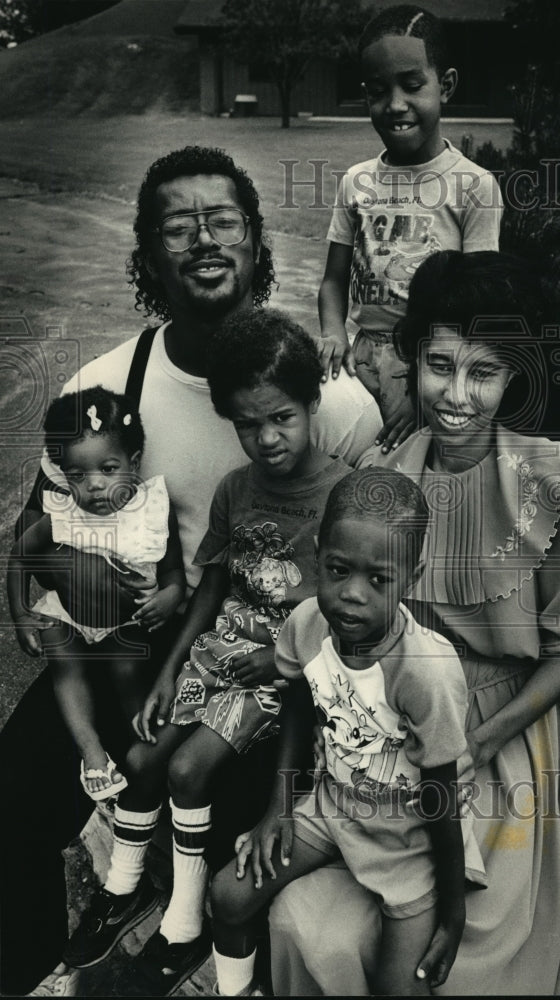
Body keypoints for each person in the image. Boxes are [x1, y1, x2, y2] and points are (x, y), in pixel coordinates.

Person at [1, 145, 380, 997]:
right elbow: (37, 519)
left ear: (253, 242)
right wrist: (52, 593)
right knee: (14, 796)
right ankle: (29, 970)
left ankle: (183, 944)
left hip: (277, 657)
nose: (204, 240)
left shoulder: (335, 398)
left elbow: (375, 561)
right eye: (178, 226)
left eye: (223, 220)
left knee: (218, 819)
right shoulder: (106, 384)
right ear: (148, 255)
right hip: (142, 643)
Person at [268, 251, 560, 996]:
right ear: (412, 359)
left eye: (482, 373)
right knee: (308, 925)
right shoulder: (392, 471)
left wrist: (479, 743)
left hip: (516, 737)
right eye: (439, 366)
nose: (456, 395)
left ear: (514, 375)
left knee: (464, 966)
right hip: (399, 731)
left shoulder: (558, 479)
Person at [62, 309, 352, 996]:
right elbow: (212, 584)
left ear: (312, 403)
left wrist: (284, 661)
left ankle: (185, 921)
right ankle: (125, 889)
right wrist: (167, 674)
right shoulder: (237, 488)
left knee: (189, 769)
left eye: (281, 417)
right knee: (140, 755)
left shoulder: (341, 493)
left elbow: (343, 618)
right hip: (222, 651)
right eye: (248, 424)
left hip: (283, 672)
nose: (266, 437)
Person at [210, 467, 487, 997]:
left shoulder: (426, 671)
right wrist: (280, 807)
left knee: (400, 986)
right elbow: (297, 698)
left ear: (415, 574)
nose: (352, 596)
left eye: (379, 580)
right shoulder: (310, 622)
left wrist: (452, 912)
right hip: (333, 804)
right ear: (318, 553)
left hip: (408, 836)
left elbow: (441, 794)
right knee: (227, 897)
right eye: (338, 570)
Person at [318, 3, 502, 452]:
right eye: (379, 90)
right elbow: (333, 280)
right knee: (345, 470)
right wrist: (333, 334)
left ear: (447, 86)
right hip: (358, 359)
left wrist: (426, 387)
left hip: (428, 364)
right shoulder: (356, 181)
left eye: (412, 86)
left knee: (409, 477)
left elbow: (478, 305)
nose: (395, 104)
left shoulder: (473, 186)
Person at [7, 386, 185, 800]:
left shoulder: (153, 511)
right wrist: (19, 614)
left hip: (124, 622)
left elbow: (173, 571)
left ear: (133, 463)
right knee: (63, 661)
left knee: (126, 672)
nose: (95, 487)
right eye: (78, 476)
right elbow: (18, 556)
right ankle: (92, 753)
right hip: (69, 616)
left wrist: (171, 596)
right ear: (64, 475)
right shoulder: (61, 515)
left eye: (108, 469)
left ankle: (141, 745)